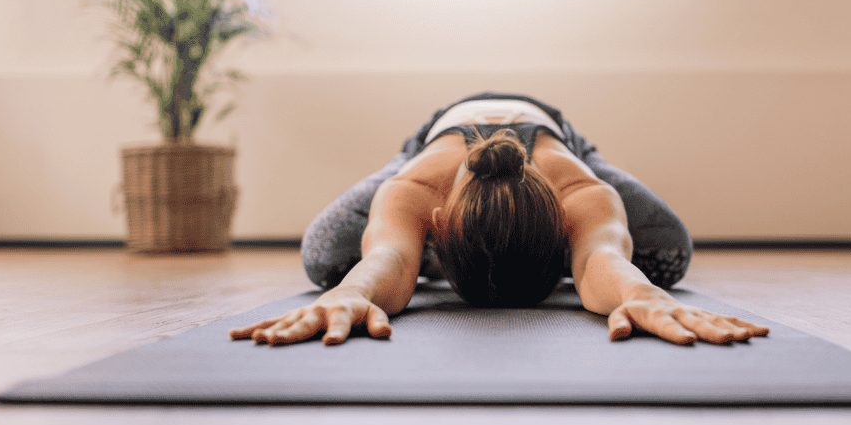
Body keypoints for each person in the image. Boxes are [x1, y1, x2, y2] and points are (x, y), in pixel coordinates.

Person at [230, 92, 769, 346]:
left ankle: (492, 248)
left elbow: (599, 258)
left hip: (558, 137)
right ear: (435, 224)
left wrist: (639, 293)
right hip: (437, 138)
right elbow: (388, 260)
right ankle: (469, 248)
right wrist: (353, 291)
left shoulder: (578, 187)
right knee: (326, 259)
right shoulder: (417, 186)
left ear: (565, 225)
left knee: (667, 254)